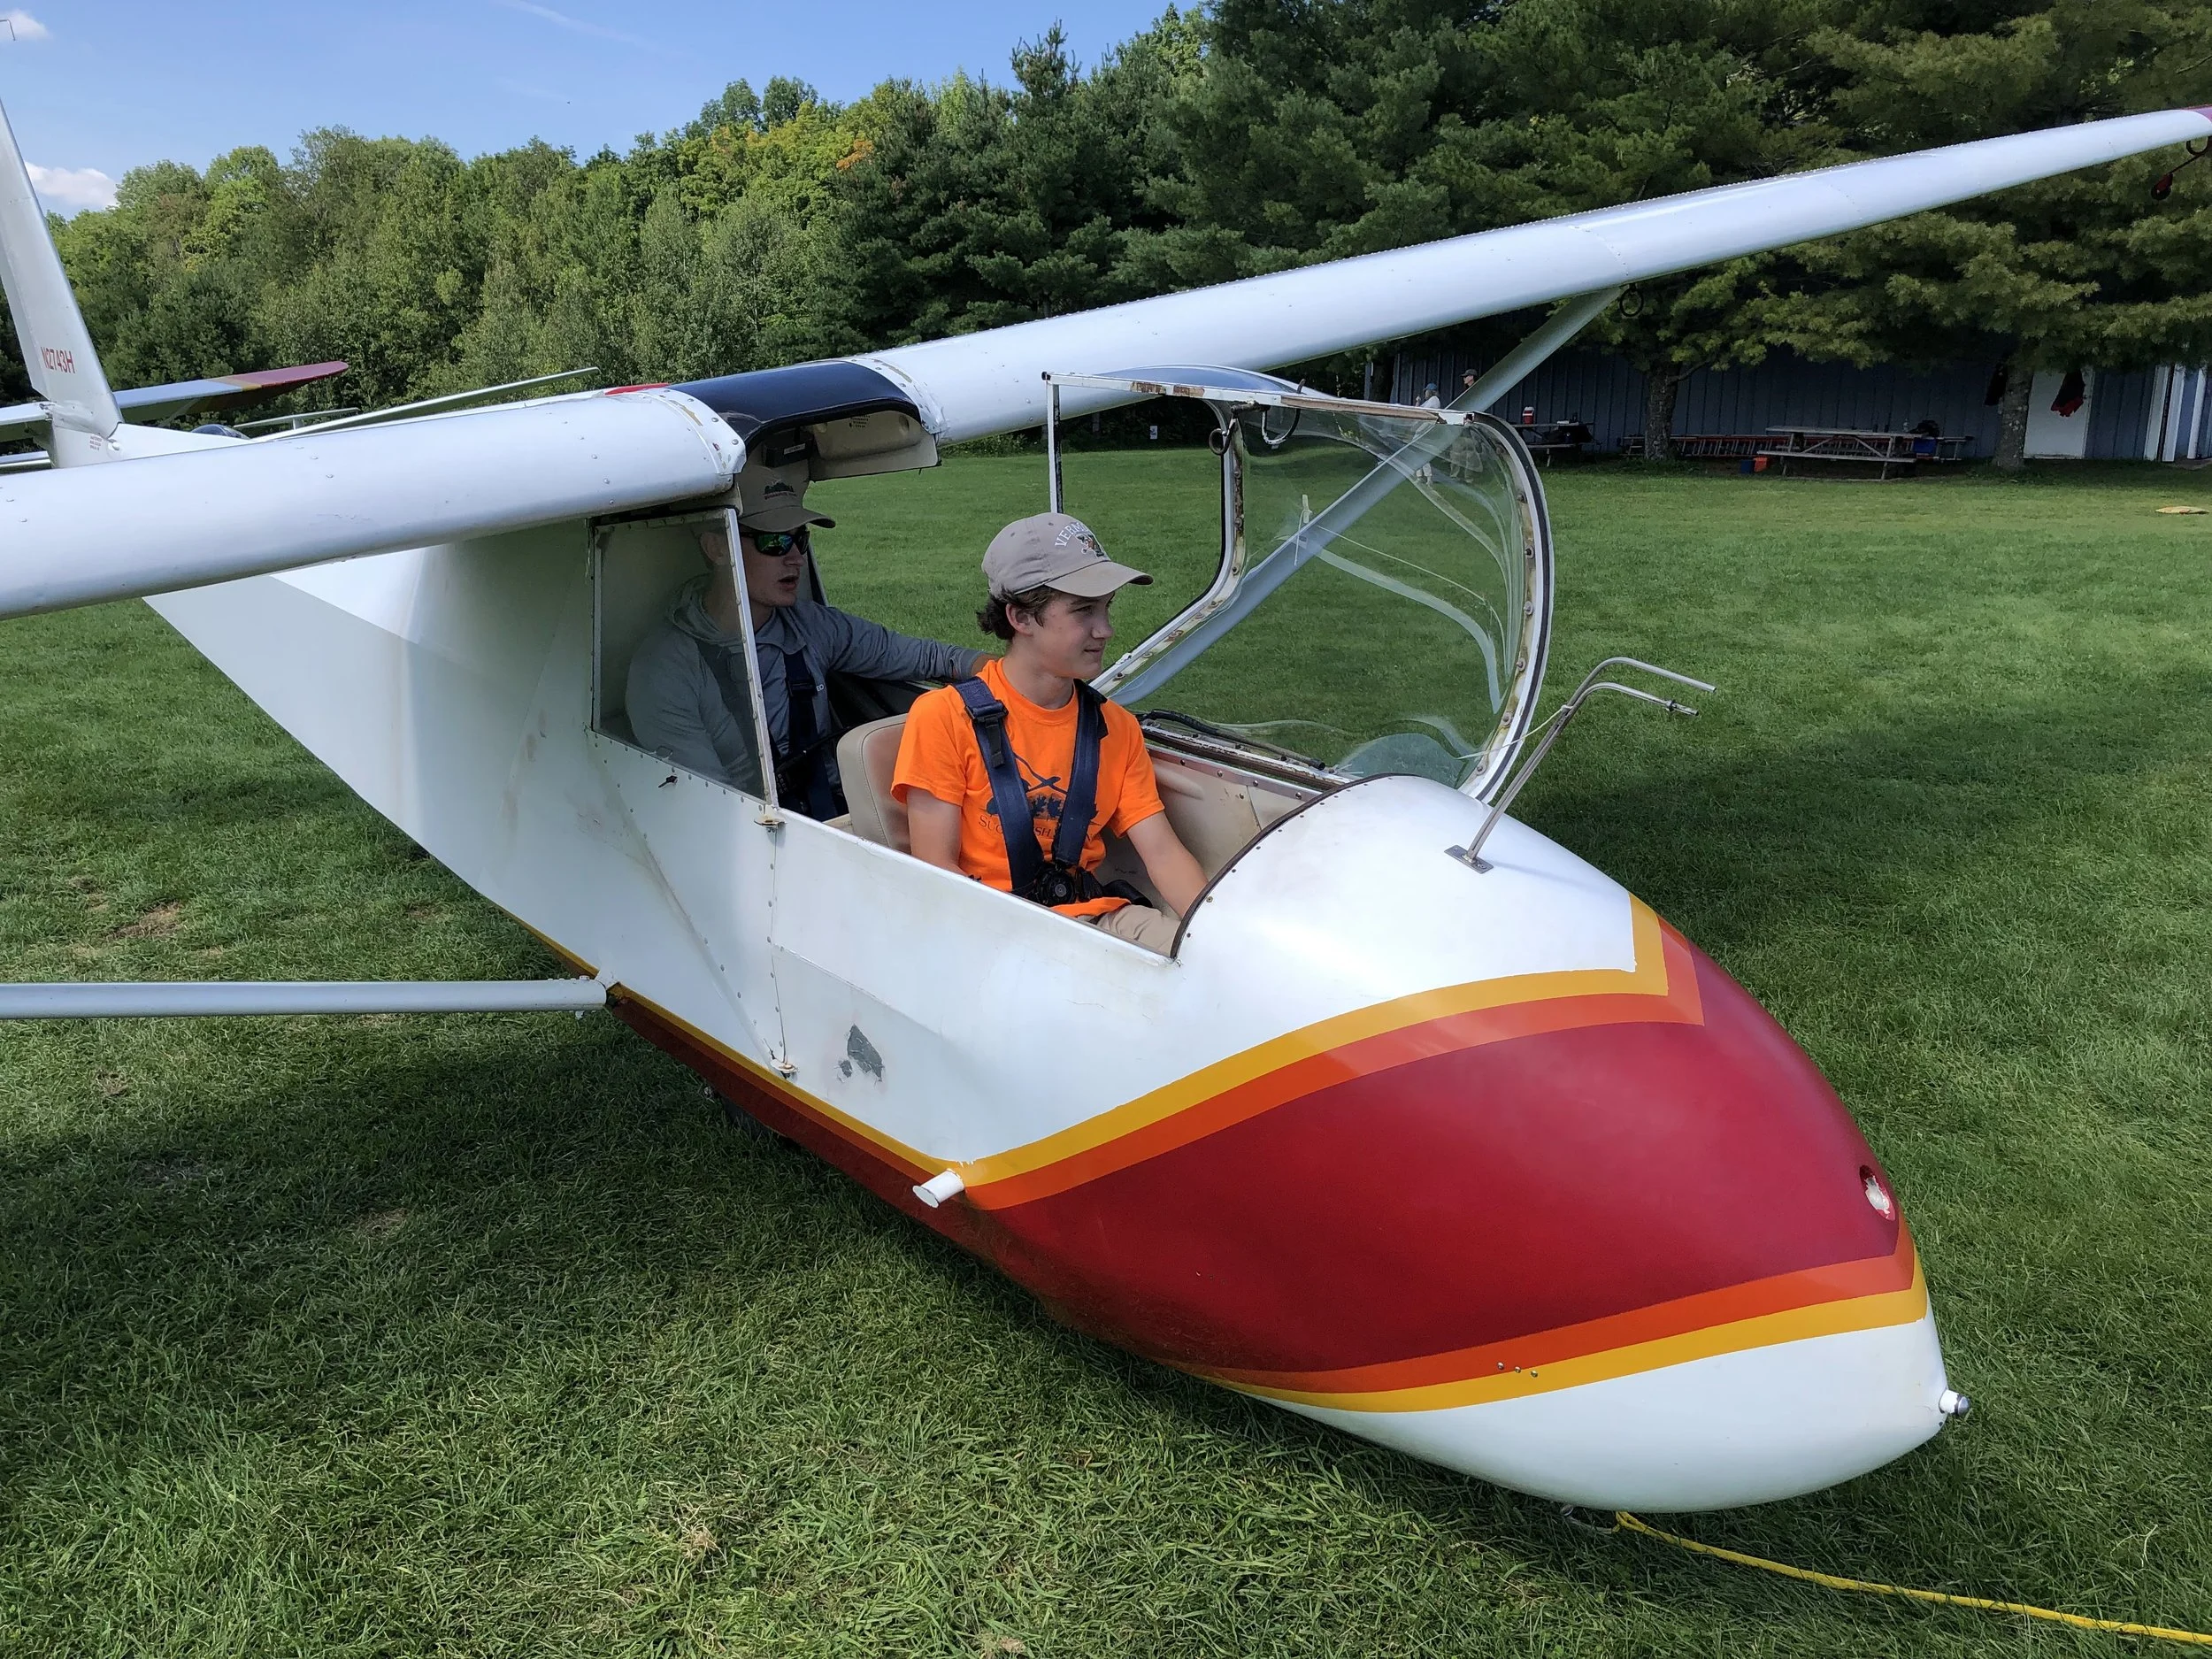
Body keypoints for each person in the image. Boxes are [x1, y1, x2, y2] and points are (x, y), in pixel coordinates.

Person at [892, 512, 1206, 955]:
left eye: (1107, 607)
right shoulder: (943, 717)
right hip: (990, 927)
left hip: (1098, 917)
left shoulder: (1115, 727)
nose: (1106, 629)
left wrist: (1217, 933)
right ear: (1020, 617)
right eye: (1083, 611)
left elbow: (1164, 855)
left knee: (1207, 963)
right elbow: (937, 870)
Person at [626, 481, 987, 812]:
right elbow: (707, 806)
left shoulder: (811, 625)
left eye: (800, 539)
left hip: (832, 809)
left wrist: (1007, 671)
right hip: (750, 831)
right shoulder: (664, 670)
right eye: (775, 542)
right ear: (717, 548)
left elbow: (926, 657)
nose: (796, 558)